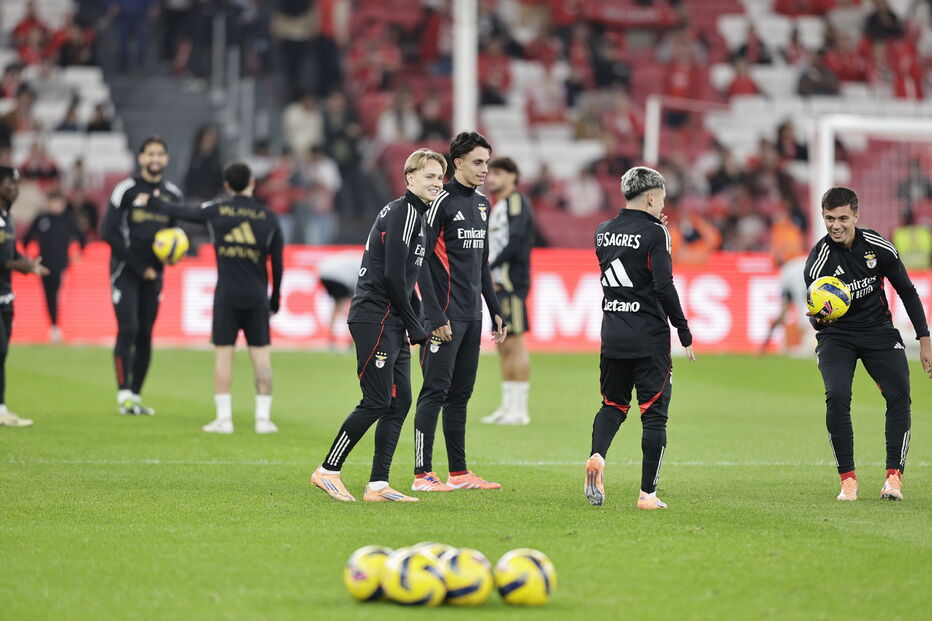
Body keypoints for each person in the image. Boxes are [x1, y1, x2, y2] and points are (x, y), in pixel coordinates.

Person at [310, 148, 439, 502]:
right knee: (377, 400)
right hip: (375, 316)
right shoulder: (405, 213)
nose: (436, 183)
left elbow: (407, 282)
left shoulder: (418, 218)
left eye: (439, 177)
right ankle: (327, 470)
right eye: (429, 176)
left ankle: (378, 484)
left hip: (392, 317)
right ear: (409, 177)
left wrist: (416, 321)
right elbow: (394, 277)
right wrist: (417, 325)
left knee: (399, 401)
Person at [804, 187, 932, 502]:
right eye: (829, 218)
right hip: (838, 336)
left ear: (856, 216)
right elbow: (816, 320)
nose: (836, 225)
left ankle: (893, 478)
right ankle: (848, 480)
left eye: (843, 218)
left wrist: (925, 340)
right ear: (823, 217)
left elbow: (907, 291)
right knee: (837, 396)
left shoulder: (878, 247)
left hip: (879, 331)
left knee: (900, 395)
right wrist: (820, 319)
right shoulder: (818, 262)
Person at [585, 166, 695, 510]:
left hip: (613, 335)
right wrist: (683, 328)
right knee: (654, 415)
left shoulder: (603, 231)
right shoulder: (656, 234)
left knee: (613, 405)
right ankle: (647, 494)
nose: (663, 204)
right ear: (651, 197)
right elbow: (663, 285)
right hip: (648, 337)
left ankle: (597, 456)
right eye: (661, 198)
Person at [150, 162, 284, 434]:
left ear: (226, 185)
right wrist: (275, 296)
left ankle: (224, 420)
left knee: (224, 356)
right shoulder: (268, 218)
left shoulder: (217, 210)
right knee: (261, 359)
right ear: (252, 183)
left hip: (227, 296)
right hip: (256, 296)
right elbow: (278, 263)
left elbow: (183, 212)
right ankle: (263, 419)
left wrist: (155, 202)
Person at [412, 131, 507, 493]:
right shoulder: (440, 202)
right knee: (434, 391)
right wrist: (434, 317)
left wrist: (494, 308)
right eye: (478, 162)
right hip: (444, 316)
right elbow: (421, 264)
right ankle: (422, 474)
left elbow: (481, 263)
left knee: (461, 394)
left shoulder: (482, 204)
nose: (485, 169)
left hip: (472, 316)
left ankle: (459, 473)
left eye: (487, 162)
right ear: (458, 163)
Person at [100, 136, 184, 416]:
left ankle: (135, 396)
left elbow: (175, 235)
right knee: (128, 329)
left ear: (167, 158)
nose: (155, 159)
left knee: (146, 334)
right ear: (141, 158)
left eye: (160, 154)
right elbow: (108, 232)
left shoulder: (173, 194)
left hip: (155, 274)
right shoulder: (126, 189)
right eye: (150, 154)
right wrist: (139, 267)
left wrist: (172, 256)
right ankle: (123, 394)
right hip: (126, 271)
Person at [481, 157, 535, 426]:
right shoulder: (499, 205)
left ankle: (520, 409)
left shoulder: (515, 201)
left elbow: (516, 240)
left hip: (511, 284)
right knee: (503, 345)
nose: (490, 178)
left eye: (498, 173)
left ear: (513, 176)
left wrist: (492, 266)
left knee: (515, 344)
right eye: (490, 173)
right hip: (498, 284)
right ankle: (507, 406)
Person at [0, 166, 49, 427]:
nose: (15, 188)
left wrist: (29, 264)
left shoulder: (7, 217)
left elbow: (11, 252)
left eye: (17, 183)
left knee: (2, 353)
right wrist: (18, 266)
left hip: (6, 297)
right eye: (10, 183)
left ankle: (1, 408)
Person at [23, 191, 86, 342]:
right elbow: (26, 238)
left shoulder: (68, 220)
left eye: (59, 203)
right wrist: (28, 258)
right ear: (49, 203)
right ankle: (53, 326)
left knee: (57, 295)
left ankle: (57, 326)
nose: (57, 206)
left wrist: (77, 254)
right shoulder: (41, 219)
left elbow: (82, 238)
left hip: (62, 266)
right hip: (43, 266)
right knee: (48, 295)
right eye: (54, 202)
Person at [316, 250, 360, 349]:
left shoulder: (356, 258)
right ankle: (351, 341)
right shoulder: (363, 265)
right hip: (338, 277)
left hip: (324, 273)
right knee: (355, 307)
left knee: (337, 305)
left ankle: (330, 338)